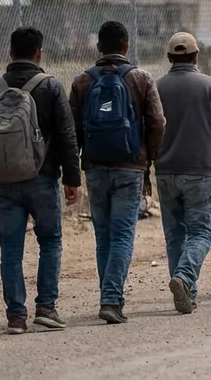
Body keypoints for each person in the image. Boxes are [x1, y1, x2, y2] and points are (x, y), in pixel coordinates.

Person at [0, 27, 79, 335]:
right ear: (39, 54)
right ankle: (46, 308)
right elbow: (66, 136)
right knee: (50, 241)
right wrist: (72, 178)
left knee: (10, 248)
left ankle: (16, 316)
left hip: (5, 182)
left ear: (10, 53)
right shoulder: (51, 87)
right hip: (43, 179)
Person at [70, 20, 165, 324]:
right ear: (126, 46)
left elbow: (71, 131)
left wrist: (79, 164)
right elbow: (158, 122)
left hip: (95, 168)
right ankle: (111, 299)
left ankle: (107, 294)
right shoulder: (141, 78)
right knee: (123, 235)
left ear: (98, 47)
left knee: (104, 236)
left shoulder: (83, 81)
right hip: (130, 167)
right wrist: (148, 159)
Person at [154, 32, 211, 314]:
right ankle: (184, 278)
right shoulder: (209, 86)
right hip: (199, 173)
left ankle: (187, 293)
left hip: (165, 171)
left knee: (174, 234)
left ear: (169, 58)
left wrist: (145, 171)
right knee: (201, 233)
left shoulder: (156, 87)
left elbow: (147, 131)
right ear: (196, 56)